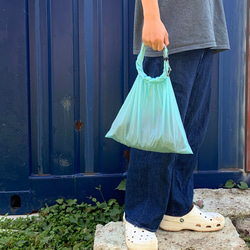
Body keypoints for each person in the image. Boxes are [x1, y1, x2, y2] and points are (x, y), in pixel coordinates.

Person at [123, 0, 230, 249]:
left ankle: (177, 209)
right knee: (156, 133)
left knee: (191, 131)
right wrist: (151, 17)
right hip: (170, 28)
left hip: (203, 28)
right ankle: (139, 218)